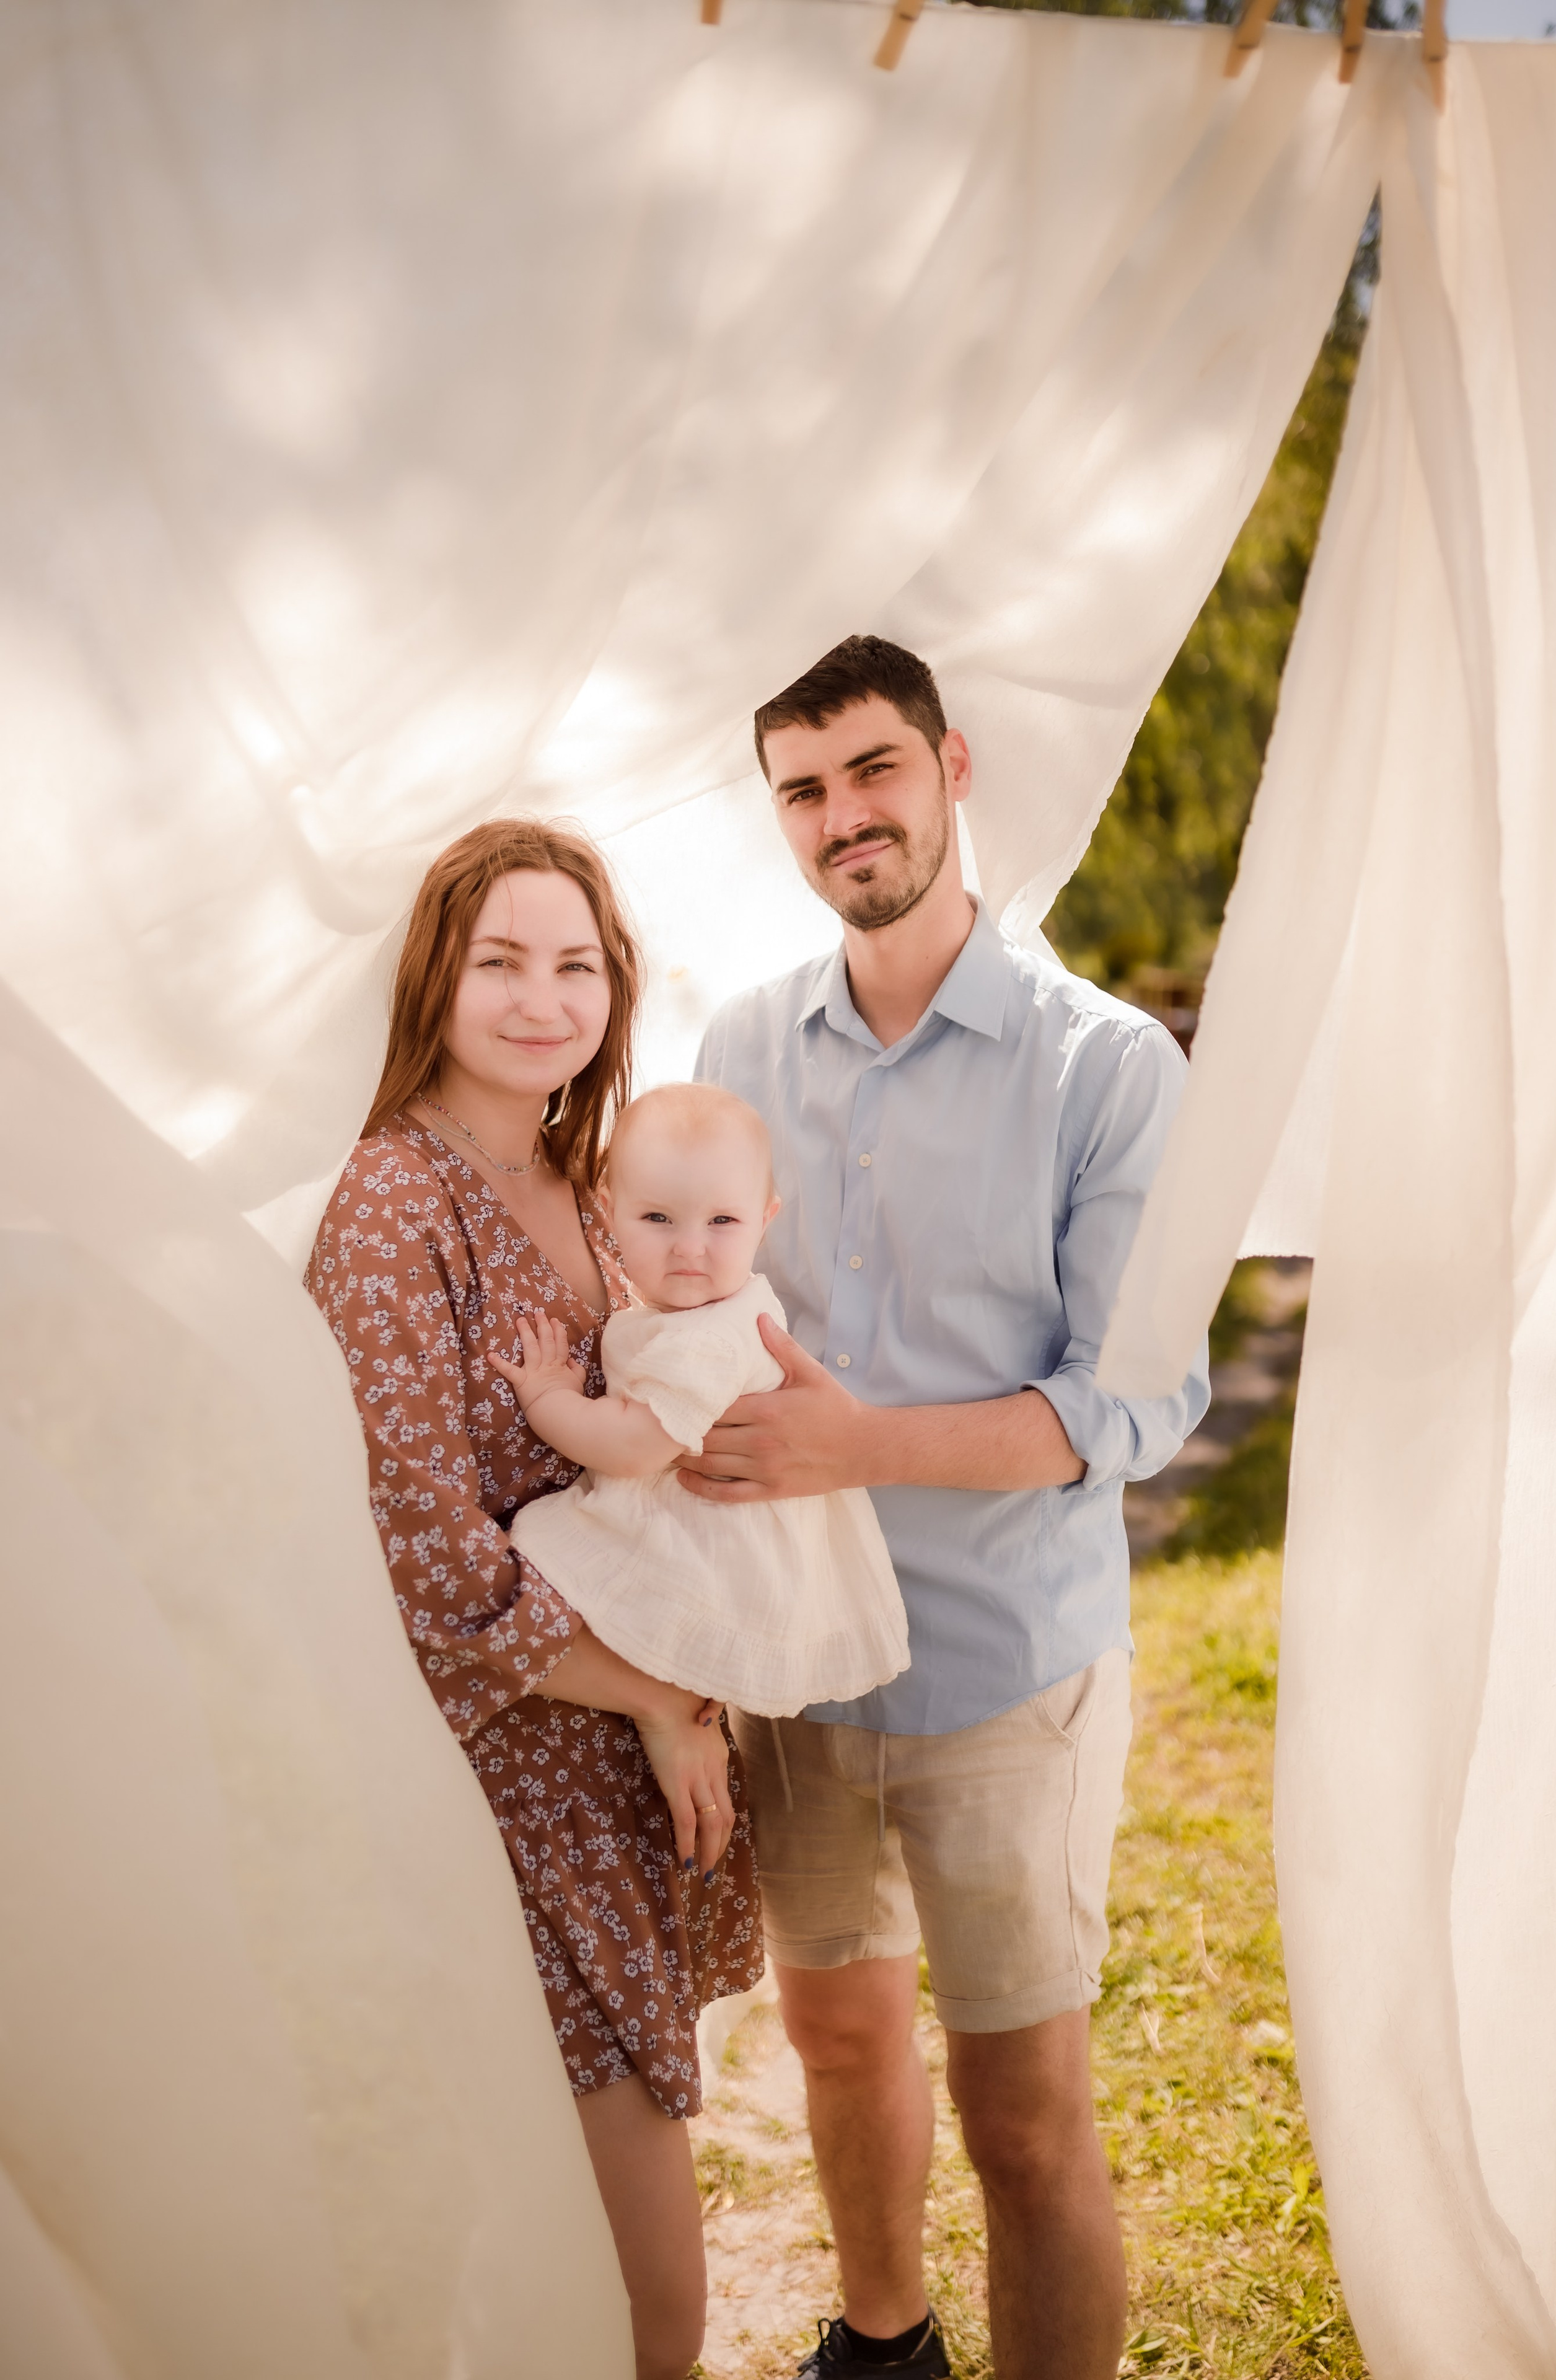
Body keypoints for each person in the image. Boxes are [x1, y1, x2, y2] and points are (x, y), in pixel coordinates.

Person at [689, 637, 1211, 2380]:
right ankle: (883, 2344)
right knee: (837, 2048)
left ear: (952, 766)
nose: (847, 817)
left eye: (873, 771)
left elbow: (1127, 1404)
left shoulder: (1108, 1066)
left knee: (1029, 2116)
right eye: (806, 791)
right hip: (799, 1670)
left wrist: (863, 1447)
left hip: (1006, 1672)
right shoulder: (740, 1042)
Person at [307, 819, 761, 2380]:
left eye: (572, 961)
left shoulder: (588, 1175)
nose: (537, 995)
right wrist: (657, 1693)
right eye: (498, 958)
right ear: (437, 974)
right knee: (647, 2299)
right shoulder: (393, 1201)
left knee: (595, 2260)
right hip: (509, 1782)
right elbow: (421, 1543)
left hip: (615, 1762)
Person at [494, 1080, 910, 1715]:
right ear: (609, 1212)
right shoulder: (713, 1307)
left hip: (714, 1553)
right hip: (714, 1533)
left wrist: (551, 1398)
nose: (690, 1247)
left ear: (765, 1219)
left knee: (530, 1571)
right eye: (657, 1218)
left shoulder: (712, 1339)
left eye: (722, 1221)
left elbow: (634, 1447)